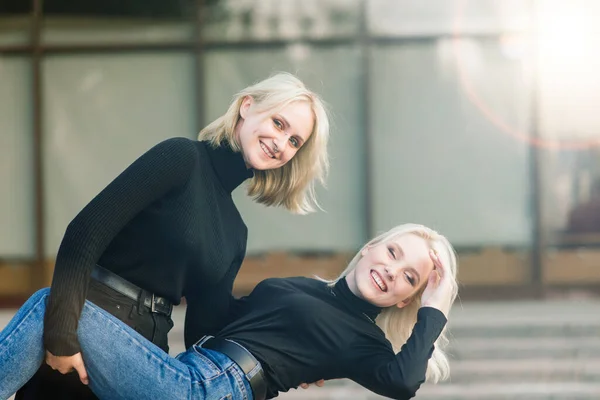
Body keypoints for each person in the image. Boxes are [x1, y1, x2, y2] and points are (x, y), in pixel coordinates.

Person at [15, 72, 330, 399]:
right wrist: (61, 335)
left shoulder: (236, 233)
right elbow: (84, 233)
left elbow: (206, 333)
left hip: (145, 359)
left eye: (295, 141)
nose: (281, 143)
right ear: (247, 107)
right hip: (86, 331)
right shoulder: (182, 158)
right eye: (279, 123)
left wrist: (292, 354)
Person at [1, 223, 458, 400]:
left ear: (405, 300)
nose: (392, 270)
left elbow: (402, 382)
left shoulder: (365, 340)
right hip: (186, 371)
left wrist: (434, 308)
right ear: (372, 246)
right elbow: (224, 317)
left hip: (208, 389)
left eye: (410, 279)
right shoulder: (308, 289)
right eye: (393, 252)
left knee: (54, 308)